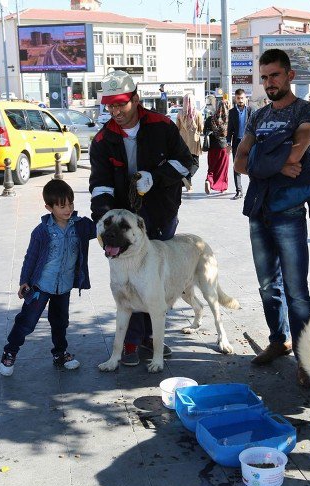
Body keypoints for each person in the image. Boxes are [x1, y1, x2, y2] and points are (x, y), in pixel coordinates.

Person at [89, 70, 192, 367]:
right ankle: (133, 341)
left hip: (160, 213)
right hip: (126, 225)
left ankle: (150, 337)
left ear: (136, 99)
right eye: (110, 106)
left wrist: (156, 177)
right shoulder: (102, 139)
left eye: (121, 104)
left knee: (154, 278)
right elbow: (100, 184)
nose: (115, 112)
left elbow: (187, 162)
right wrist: (104, 219)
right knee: (128, 277)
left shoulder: (163, 126)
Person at [233, 48, 310, 388]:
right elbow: (239, 161)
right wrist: (277, 163)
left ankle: (307, 356)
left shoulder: (305, 110)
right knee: (268, 285)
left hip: (289, 210)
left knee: (297, 290)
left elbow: (299, 149)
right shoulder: (257, 115)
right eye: (265, 77)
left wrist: (262, 158)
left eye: (275, 75)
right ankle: (278, 339)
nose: (269, 83)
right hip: (258, 210)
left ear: (289, 76)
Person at [0, 179, 97, 377]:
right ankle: (10, 351)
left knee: (60, 322)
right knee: (27, 321)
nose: (68, 209)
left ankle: (60, 353)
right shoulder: (42, 231)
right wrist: (24, 280)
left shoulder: (80, 227)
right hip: (40, 286)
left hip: (64, 286)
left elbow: (102, 227)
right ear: (49, 207)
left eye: (70, 203)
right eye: (62, 206)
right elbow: (31, 257)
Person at [176, 92, 204, 193]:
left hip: (182, 142)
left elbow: (177, 128)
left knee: (186, 163)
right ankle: (187, 177)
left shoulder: (180, 113)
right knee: (195, 164)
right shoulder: (198, 113)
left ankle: (189, 185)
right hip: (194, 142)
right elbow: (201, 128)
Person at [226, 88, 251, 200]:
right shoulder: (232, 112)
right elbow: (230, 129)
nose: (240, 100)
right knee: (237, 166)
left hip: (249, 142)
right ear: (235, 99)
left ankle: (253, 190)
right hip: (236, 143)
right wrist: (228, 143)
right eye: (238, 98)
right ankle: (239, 191)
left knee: (251, 166)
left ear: (245, 98)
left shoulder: (251, 110)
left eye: (242, 98)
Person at [203, 100, 230, 194]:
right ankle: (222, 187)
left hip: (212, 147)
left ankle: (208, 180)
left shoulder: (210, 119)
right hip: (224, 147)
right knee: (222, 168)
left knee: (212, 167)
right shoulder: (228, 120)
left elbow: (204, 132)